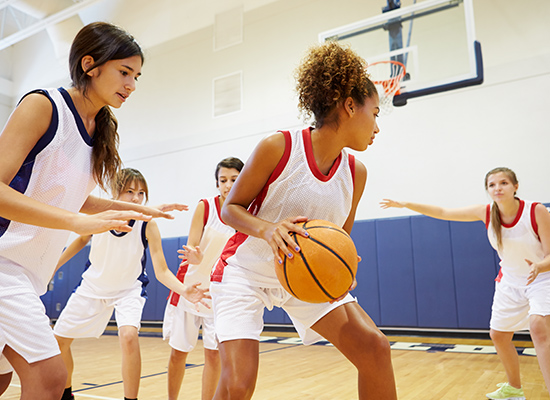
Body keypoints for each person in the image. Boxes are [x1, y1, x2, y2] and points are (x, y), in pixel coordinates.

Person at [0, 22, 185, 400]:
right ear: (90, 64)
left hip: (24, 271)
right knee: (50, 379)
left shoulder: (98, 128)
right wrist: (75, 222)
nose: (132, 84)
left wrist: (138, 209)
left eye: (136, 76)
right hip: (3, 264)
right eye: (124, 72)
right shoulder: (42, 105)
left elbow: (75, 197)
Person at [209, 41, 397, 400]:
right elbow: (230, 209)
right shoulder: (279, 147)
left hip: (302, 275)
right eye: (375, 113)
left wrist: (342, 263)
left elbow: (339, 235)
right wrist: (268, 228)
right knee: (237, 385)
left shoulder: (356, 173)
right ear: (350, 106)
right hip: (246, 273)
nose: (377, 127)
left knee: (375, 348)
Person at [380, 167, 550, 400]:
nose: (498, 188)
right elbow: (443, 211)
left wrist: (539, 266)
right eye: (492, 185)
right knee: (499, 335)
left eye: (503, 183)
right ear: (487, 190)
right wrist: (406, 203)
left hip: (541, 278)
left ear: (515, 186)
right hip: (510, 282)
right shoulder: (486, 212)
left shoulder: (536, 210)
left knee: (539, 329)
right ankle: (514, 388)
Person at [53, 168, 209, 400]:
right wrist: (53, 267)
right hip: (93, 287)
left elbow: (162, 270)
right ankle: (66, 394)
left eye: (141, 193)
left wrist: (184, 290)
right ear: (116, 191)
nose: (136, 198)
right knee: (58, 342)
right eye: (129, 191)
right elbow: (80, 240)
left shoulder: (148, 225)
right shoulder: (101, 216)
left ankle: (131, 399)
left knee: (128, 335)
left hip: (128, 290)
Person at [163, 157, 244, 400]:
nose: (228, 185)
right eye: (223, 180)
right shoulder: (205, 207)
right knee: (179, 352)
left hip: (219, 294)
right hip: (191, 288)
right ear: (217, 183)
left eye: (233, 179)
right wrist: (195, 256)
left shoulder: (245, 213)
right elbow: (192, 250)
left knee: (213, 355)